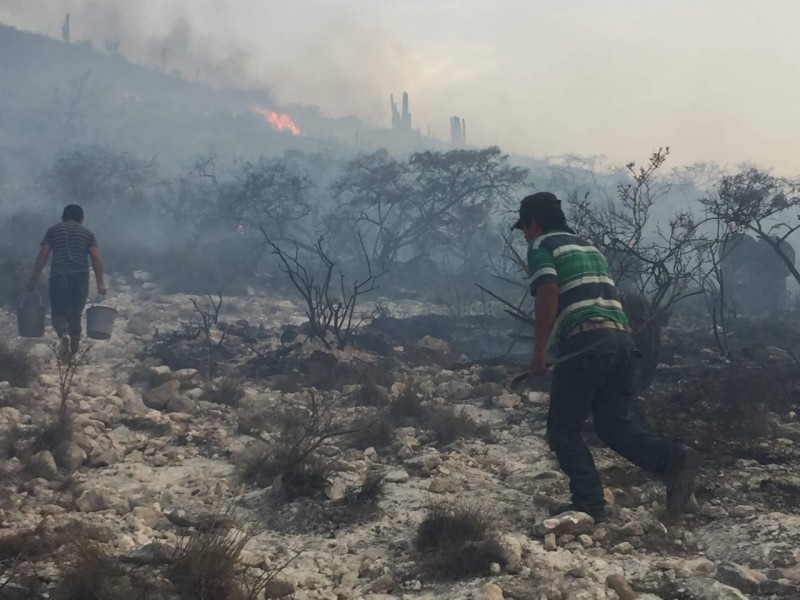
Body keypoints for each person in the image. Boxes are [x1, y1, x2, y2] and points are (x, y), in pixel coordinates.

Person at [512, 192, 697, 520]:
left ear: (533, 223)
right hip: (622, 341)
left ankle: (589, 504)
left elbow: (548, 291)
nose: (525, 235)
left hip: (587, 341)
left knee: (563, 428)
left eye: (524, 228)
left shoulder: (541, 246)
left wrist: (538, 353)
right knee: (612, 424)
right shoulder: (588, 246)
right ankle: (673, 458)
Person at [28, 204, 106, 359]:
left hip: (59, 275)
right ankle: (74, 351)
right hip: (80, 276)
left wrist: (34, 278)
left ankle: (64, 333)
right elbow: (96, 258)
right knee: (75, 313)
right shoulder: (87, 233)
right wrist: (100, 284)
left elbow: (44, 254)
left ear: (63, 218)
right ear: (81, 219)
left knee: (58, 311)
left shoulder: (54, 230)